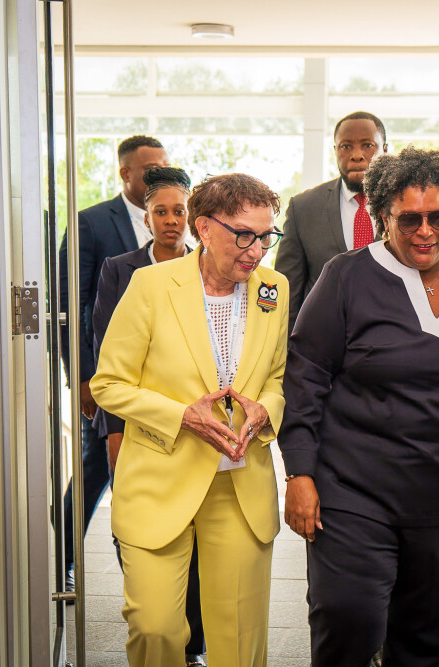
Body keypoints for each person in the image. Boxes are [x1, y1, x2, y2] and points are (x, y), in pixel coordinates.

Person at [278, 147, 439, 667]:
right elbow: (306, 375)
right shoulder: (346, 276)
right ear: (383, 216)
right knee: (347, 617)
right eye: (409, 219)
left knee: (424, 638)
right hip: (353, 488)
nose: (425, 231)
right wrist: (300, 474)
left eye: (438, 217)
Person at [90, 173, 288, 667]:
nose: (257, 250)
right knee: (155, 628)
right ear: (204, 228)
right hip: (160, 480)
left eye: (266, 236)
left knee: (240, 641)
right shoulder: (151, 285)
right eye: (245, 235)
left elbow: (278, 376)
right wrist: (181, 416)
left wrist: (266, 409)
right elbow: (108, 383)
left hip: (239, 484)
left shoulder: (274, 288)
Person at [90, 166, 206, 666]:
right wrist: (113, 431)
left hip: (196, 424)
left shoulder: (207, 268)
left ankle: (192, 645)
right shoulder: (121, 270)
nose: (171, 220)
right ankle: (153, 616)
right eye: (161, 211)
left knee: (197, 536)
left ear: (193, 217)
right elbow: (108, 353)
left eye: (179, 211)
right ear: (147, 217)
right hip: (135, 420)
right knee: (140, 529)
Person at [58, 134, 169, 591]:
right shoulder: (90, 223)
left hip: (162, 378)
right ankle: (63, 560)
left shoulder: (180, 221)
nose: (159, 175)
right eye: (150, 169)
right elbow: (72, 307)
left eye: (164, 166)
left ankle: (151, 568)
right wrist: (85, 378)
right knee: (96, 468)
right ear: (126, 173)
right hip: (108, 375)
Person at [275, 111, 388, 332]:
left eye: (367, 145)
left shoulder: (406, 206)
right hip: (321, 343)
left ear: (384, 149)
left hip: (389, 341)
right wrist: (291, 349)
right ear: (335, 151)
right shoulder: (303, 208)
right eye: (346, 146)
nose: (356, 155)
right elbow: (288, 292)